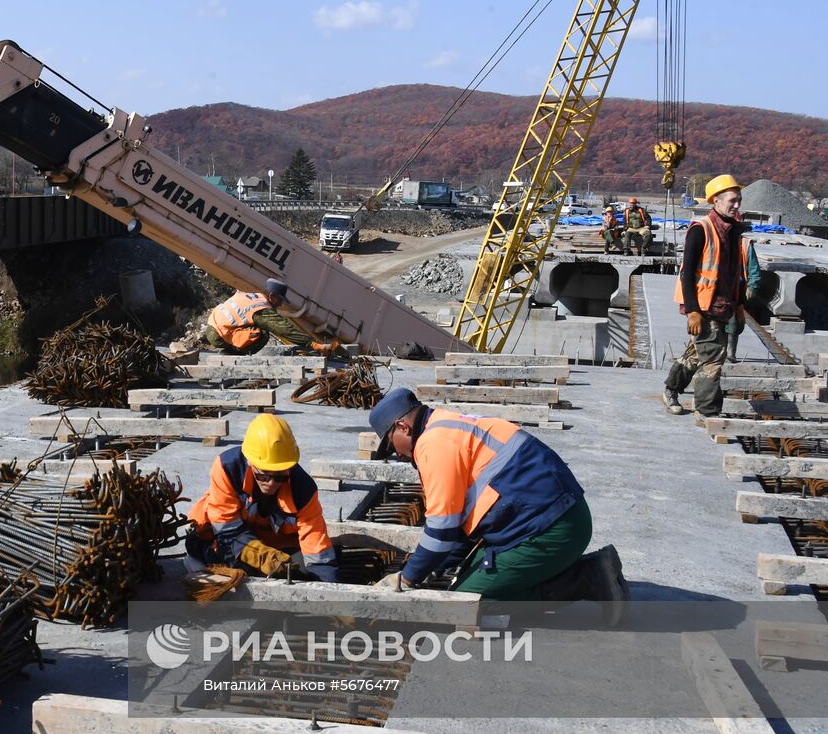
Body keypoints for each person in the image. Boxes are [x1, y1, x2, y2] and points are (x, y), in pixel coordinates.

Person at [368, 388, 629, 618]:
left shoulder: (432, 445)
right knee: (470, 575)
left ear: (403, 427)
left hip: (554, 529)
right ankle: (582, 571)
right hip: (560, 515)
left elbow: (441, 531)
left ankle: (588, 579)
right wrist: (439, 567)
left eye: (392, 447)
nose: (398, 455)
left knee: (466, 604)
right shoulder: (446, 424)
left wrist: (407, 577)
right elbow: (459, 525)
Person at [185, 414, 338, 582]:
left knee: (300, 572)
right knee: (231, 568)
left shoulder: (304, 489)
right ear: (250, 463)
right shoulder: (228, 469)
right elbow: (227, 531)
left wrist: (328, 592)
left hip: (273, 542)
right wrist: (264, 557)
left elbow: (318, 551)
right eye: (264, 476)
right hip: (218, 538)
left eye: (280, 477)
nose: (272, 483)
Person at [663, 174, 750, 422]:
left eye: (739, 200)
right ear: (715, 200)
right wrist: (692, 310)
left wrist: (740, 306)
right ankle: (707, 412)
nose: (736, 205)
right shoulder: (701, 230)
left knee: (695, 354)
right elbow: (687, 273)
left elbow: (737, 274)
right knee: (713, 360)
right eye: (732, 200)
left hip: (725, 306)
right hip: (703, 307)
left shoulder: (734, 232)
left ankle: (670, 389)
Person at [203, 279, 333, 355]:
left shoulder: (252, 294)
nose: (281, 303)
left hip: (214, 325)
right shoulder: (259, 307)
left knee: (255, 328)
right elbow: (283, 328)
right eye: (279, 299)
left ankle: (230, 350)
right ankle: (234, 356)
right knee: (262, 334)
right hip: (220, 333)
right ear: (271, 295)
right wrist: (312, 344)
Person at [725, 237, 762, 363]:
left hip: (736, 289)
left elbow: (753, 267)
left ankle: (730, 353)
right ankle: (716, 353)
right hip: (715, 288)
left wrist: (753, 286)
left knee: (733, 322)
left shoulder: (745, 243)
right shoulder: (714, 236)